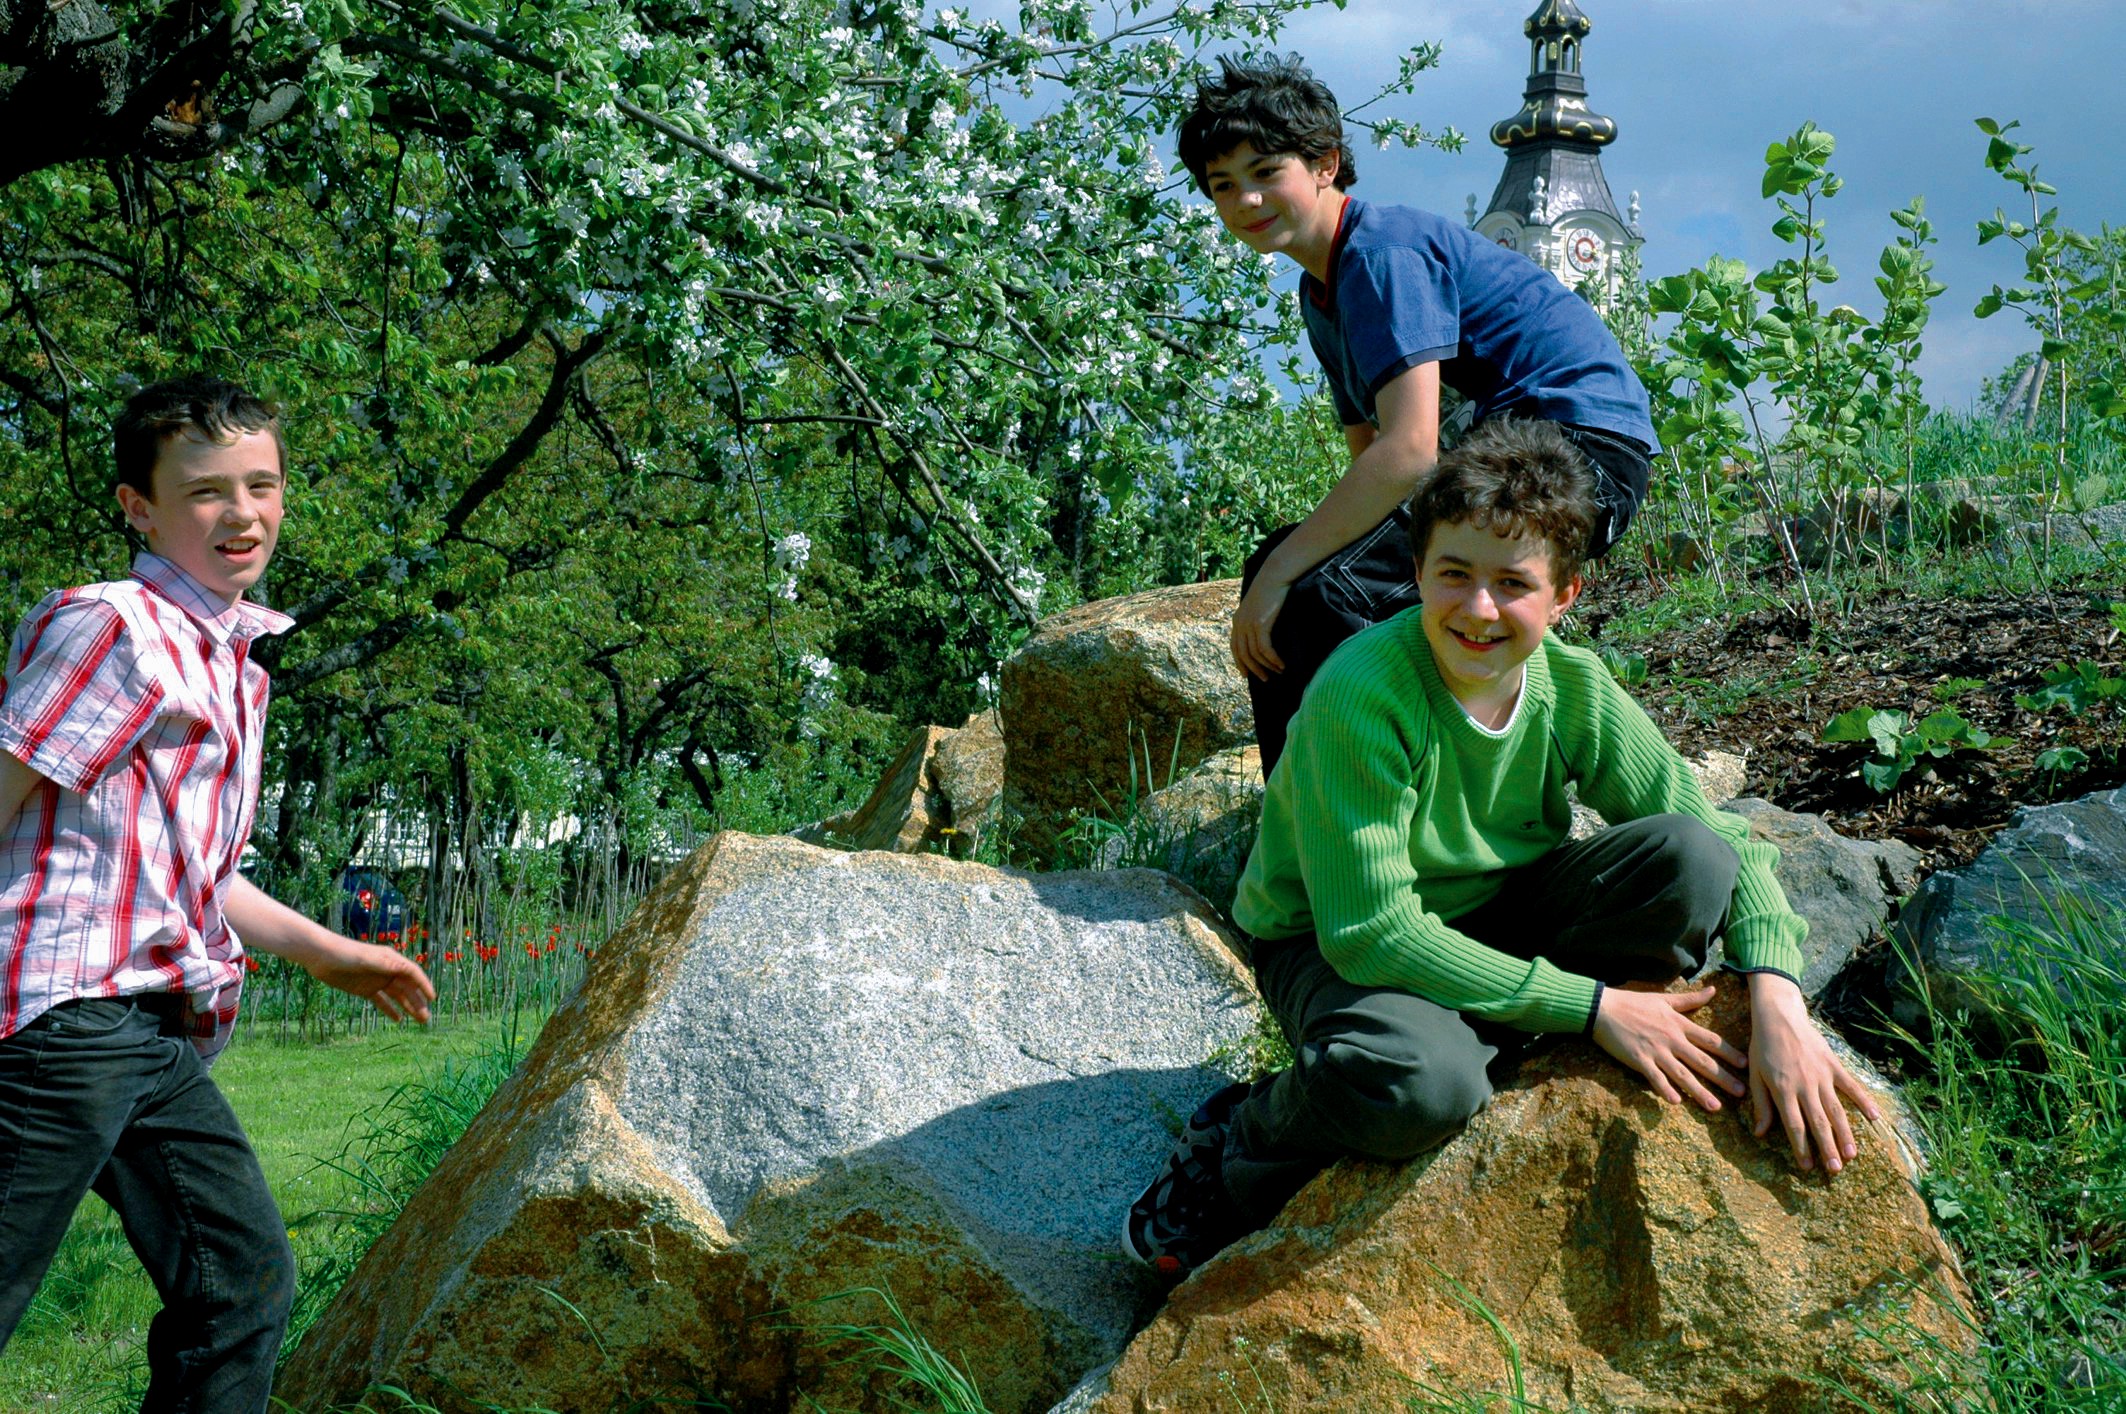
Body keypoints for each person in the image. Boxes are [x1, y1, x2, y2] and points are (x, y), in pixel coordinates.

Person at [1124, 419, 1879, 1276]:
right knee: (1425, 1086)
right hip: (1327, 943)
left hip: (1499, 910)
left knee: (1690, 860)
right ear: (1416, 573)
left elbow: (1721, 839)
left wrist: (1778, 996)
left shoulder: (1572, 686)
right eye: (1454, 574)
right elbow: (1370, 932)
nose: (1479, 609)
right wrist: (1593, 1008)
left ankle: (1485, 1023)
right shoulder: (1361, 697)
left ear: (1564, 596)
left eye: (1513, 584)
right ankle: (1239, 1142)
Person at [0, 375, 436, 1410]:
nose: (241, 513)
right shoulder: (116, 627)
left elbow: (191, 876)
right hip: (59, 1020)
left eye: (261, 484)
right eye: (205, 493)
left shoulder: (232, 662)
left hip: (145, 1029)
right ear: (138, 507)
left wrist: (331, 951)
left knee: (240, 1286)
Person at [1176, 53, 1660, 777]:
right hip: (1517, 445)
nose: (1245, 200)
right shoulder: (1323, 294)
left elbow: (1409, 454)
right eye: (1223, 186)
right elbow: (1370, 462)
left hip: (1584, 453)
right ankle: (1299, 813)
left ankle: (1377, 795)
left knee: (1314, 590)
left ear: (1326, 164)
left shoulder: (1381, 251)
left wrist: (1284, 572)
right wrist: (1277, 568)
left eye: (1265, 172)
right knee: (1302, 576)